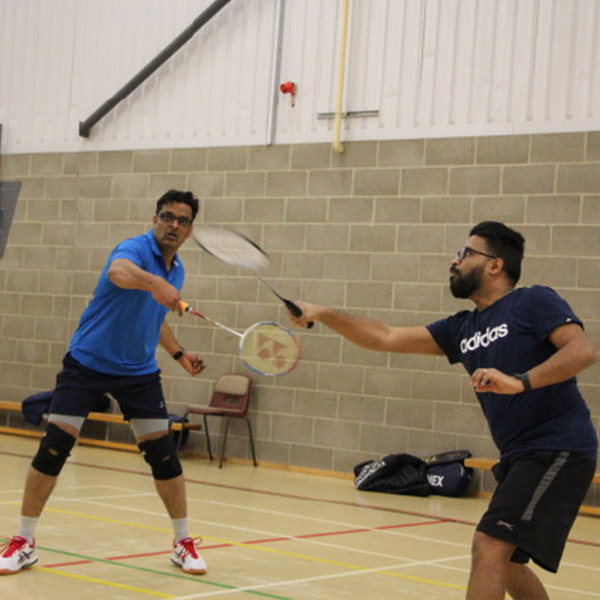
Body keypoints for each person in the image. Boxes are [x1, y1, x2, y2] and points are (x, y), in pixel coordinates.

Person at [288, 221, 597, 600]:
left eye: (466, 253)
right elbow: (384, 336)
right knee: (508, 561)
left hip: (558, 448)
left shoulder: (532, 301)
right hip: (520, 454)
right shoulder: (461, 328)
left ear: (495, 265)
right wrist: (323, 312)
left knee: (488, 545)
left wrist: (520, 381)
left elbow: (581, 351)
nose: (454, 260)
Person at [0, 190, 209, 576]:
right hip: (88, 363)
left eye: (182, 220)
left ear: (190, 230)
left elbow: (153, 318)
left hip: (138, 372)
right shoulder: (134, 249)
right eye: (167, 217)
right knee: (55, 447)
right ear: (154, 220)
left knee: (163, 454)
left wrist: (180, 354)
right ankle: (24, 541)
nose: (173, 225)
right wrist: (154, 284)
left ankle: (182, 542)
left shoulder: (176, 270)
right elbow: (119, 273)